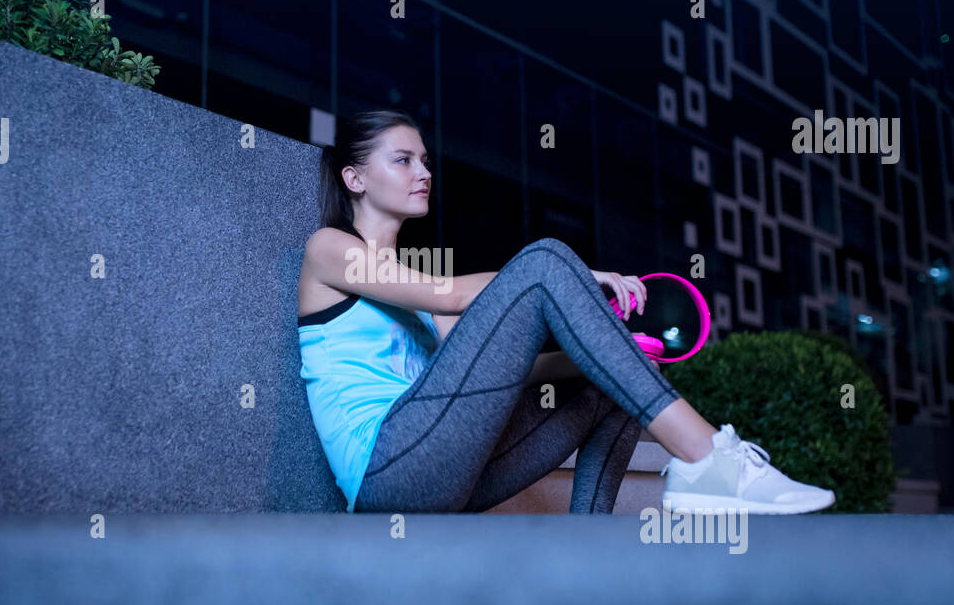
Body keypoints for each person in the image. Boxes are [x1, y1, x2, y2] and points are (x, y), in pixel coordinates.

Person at [298, 109, 835, 516]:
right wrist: (576, 275)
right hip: (387, 473)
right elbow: (452, 294)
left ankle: (589, 549)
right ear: (355, 179)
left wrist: (603, 354)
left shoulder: (415, 292)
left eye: (425, 160)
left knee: (620, 372)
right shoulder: (329, 248)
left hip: (448, 471)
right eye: (403, 160)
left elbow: (507, 377)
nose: (424, 172)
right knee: (546, 259)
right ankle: (707, 460)